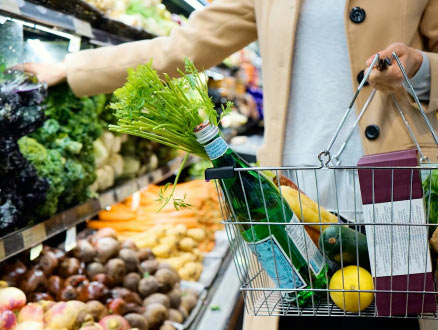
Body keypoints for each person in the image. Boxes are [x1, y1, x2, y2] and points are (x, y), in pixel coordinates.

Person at [22, 1, 438, 329]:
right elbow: (182, 47)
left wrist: (420, 70)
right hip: (291, 205)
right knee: (301, 313)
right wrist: (72, 69)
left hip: (397, 200)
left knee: (398, 315)